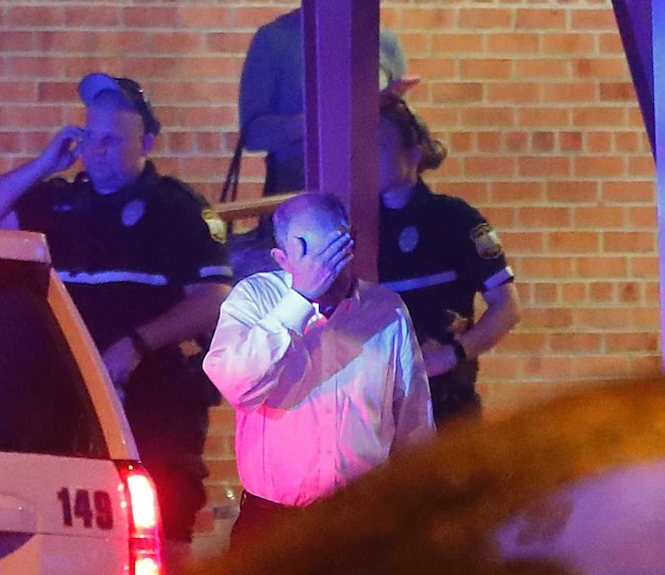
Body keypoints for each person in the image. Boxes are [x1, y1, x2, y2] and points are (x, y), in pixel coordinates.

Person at [0, 72, 233, 566]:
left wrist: (136, 344)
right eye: (90, 138)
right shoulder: (59, 201)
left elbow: (212, 300)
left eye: (113, 140)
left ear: (146, 142)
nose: (97, 151)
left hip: (155, 411)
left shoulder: (177, 209)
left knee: (161, 542)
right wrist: (42, 165)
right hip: (65, 411)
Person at [202, 192, 434, 551]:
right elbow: (238, 385)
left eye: (337, 250)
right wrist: (300, 301)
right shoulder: (254, 298)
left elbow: (413, 422)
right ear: (282, 257)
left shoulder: (385, 310)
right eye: (312, 254)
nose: (327, 268)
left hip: (364, 522)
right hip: (275, 526)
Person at [376, 95, 521, 428]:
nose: (370, 159)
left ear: (412, 155)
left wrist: (451, 355)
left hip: (447, 404)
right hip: (382, 410)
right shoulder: (361, 225)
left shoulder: (454, 219)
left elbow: (508, 307)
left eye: (381, 147)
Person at [238, 8, 412, 197]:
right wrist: (313, 122)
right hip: (300, 193)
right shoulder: (273, 40)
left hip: (373, 188)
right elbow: (253, 134)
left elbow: (402, 125)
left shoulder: (385, 41)